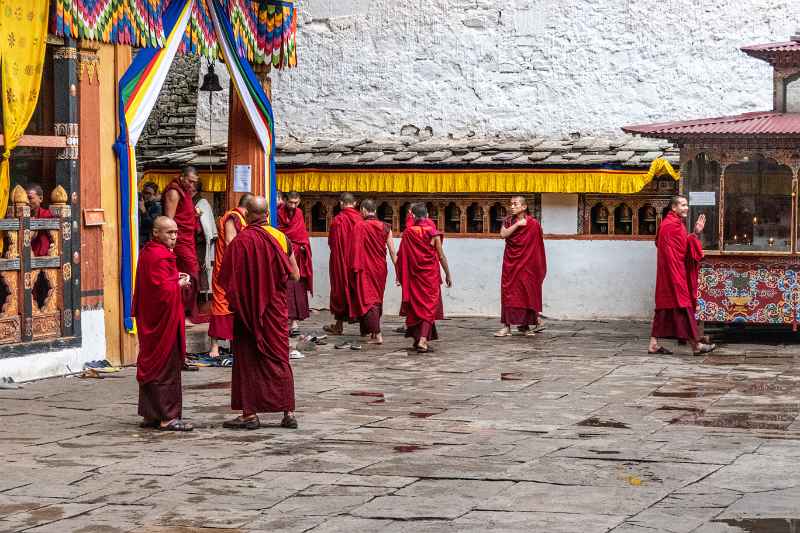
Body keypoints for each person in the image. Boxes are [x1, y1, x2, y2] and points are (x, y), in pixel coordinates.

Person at [219, 196, 300, 430]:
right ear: (268, 214)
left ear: (247, 215)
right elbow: (295, 274)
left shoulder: (241, 241)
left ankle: (250, 415)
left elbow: (227, 279)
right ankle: (288, 412)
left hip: (248, 312)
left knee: (248, 361)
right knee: (278, 357)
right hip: (275, 310)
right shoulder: (281, 238)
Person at [133, 216, 193, 431]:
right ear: (156, 233)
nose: (174, 237)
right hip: (162, 324)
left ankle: (151, 415)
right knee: (166, 368)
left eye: (176, 232)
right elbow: (163, 291)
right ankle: (167, 417)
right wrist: (179, 283)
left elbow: (156, 284)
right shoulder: (160, 256)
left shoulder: (148, 253)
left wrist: (174, 278)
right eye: (169, 233)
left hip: (151, 320)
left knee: (153, 365)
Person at [649, 195, 716, 356]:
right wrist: (696, 234)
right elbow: (681, 250)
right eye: (683, 205)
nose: (686, 208)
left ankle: (653, 344)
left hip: (669, 271)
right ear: (674, 208)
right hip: (673, 273)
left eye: (687, 205)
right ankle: (696, 346)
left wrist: (694, 233)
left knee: (665, 308)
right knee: (683, 305)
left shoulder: (670, 224)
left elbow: (671, 245)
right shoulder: (671, 225)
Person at [396, 204, 452, 353]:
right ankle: (422, 340)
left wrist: (399, 275)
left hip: (414, 277)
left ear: (412, 216)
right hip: (430, 277)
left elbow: (401, 256)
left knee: (416, 307)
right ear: (427, 215)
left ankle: (417, 339)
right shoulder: (433, 233)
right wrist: (448, 273)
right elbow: (441, 256)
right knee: (429, 307)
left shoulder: (408, 233)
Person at [496, 196, 547, 337]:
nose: (512, 206)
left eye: (515, 204)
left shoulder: (534, 224)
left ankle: (524, 326)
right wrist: (518, 225)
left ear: (524, 207)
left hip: (527, 265)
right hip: (511, 264)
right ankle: (506, 326)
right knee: (509, 293)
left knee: (525, 293)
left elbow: (537, 247)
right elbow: (503, 234)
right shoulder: (508, 221)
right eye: (511, 204)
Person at [208, 194, 251, 358]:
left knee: (236, 307)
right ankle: (215, 347)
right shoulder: (233, 218)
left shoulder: (241, 218)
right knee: (220, 306)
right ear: (247, 209)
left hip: (236, 270)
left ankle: (235, 344)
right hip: (225, 270)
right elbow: (230, 243)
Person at [350, 199, 398, 344]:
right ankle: (371, 332)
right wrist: (398, 271)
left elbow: (353, 250)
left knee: (368, 300)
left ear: (363, 210)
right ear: (375, 211)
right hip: (380, 268)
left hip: (364, 268)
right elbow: (392, 251)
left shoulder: (359, 226)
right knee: (376, 299)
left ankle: (377, 334)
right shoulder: (385, 227)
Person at [162, 166, 200, 324]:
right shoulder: (174, 192)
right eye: (190, 181)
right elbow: (169, 220)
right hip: (179, 241)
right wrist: (169, 246)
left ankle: (186, 313)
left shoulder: (186, 193)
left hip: (188, 239)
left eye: (194, 183)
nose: (192, 185)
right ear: (182, 177)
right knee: (189, 273)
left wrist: (194, 214)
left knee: (190, 274)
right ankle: (183, 313)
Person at [325, 192, 363, 335]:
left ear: (341, 203)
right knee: (359, 291)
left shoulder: (338, 220)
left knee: (340, 291)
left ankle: (339, 325)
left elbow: (332, 243)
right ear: (354, 204)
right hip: (358, 261)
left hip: (341, 262)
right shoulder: (361, 219)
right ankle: (364, 329)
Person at [277, 191, 313, 336]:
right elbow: (278, 233)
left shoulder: (298, 213)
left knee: (297, 289)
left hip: (297, 257)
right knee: (284, 289)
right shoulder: (278, 212)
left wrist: (302, 247)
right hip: (282, 257)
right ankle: (283, 322)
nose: (293, 205)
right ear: (285, 200)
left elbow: (301, 235)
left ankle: (294, 323)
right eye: (290, 202)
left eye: (296, 202)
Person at [193, 181, 217, 297]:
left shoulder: (202, 203)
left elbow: (206, 226)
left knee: (199, 270)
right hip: (191, 241)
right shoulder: (188, 202)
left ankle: (200, 296)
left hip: (199, 242)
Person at [28, 184, 53, 257]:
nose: (27, 201)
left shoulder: (47, 215)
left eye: (30, 198)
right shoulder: (22, 216)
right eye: (25, 199)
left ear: (41, 199)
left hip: (44, 257)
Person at [138, 182, 162, 249]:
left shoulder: (157, 207)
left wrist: (144, 211)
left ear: (155, 195)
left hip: (147, 240)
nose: (145, 196)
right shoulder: (141, 202)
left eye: (148, 193)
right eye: (144, 193)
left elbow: (152, 224)